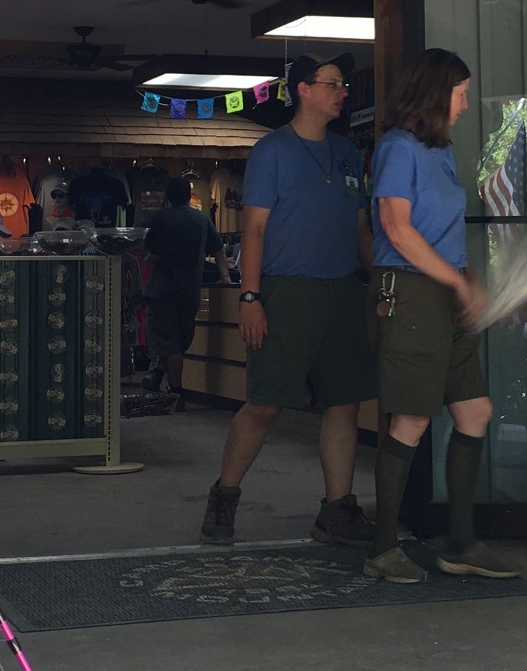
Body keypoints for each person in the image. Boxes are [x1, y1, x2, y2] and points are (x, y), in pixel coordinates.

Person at [200, 52, 376, 548]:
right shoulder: (272, 151)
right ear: (304, 88)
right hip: (287, 289)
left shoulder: (348, 152)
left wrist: (383, 281)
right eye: (333, 84)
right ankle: (224, 495)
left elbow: (360, 229)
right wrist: (249, 296)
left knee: (344, 402)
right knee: (266, 403)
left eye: (343, 85)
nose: (343, 92)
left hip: (344, 290)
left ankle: (336, 510)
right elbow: (253, 229)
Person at [365, 48, 519, 584]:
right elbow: (397, 227)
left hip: (447, 289)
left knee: (475, 410)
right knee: (411, 418)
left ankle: (461, 542)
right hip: (409, 292)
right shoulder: (396, 148)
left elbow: (445, 228)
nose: (465, 104)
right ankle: (383, 548)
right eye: (460, 94)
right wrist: (455, 281)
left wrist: (466, 277)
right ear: (436, 94)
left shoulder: (441, 151)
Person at [142, 178, 232, 408]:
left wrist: (149, 258)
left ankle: (175, 391)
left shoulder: (158, 218)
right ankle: (159, 373)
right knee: (180, 341)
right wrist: (225, 277)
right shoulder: (202, 219)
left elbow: (140, 243)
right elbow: (219, 250)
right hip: (190, 291)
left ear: (168, 196)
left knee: (168, 343)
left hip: (162, 290)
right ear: (188, 196)